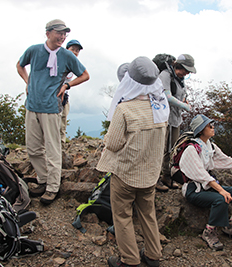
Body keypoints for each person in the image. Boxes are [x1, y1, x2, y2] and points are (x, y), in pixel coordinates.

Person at [96, 56, 169, 267]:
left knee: (122, 216)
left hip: (126, 174)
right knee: (148, 213)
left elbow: (114, 144)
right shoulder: (160, 107)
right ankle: (154, 255)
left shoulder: (125, 109)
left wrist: (107, 140)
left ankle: (130, 260)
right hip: (150, 174)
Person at [16, 19, 89, 205]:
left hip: (51, 108)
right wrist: (28, 82)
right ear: (48, 33)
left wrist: (67, 85)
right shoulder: (33, 50)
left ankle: (53, 187)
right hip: (31, 105)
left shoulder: (67, 55)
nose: (62, 37)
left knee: (53, 149)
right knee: (33, 148)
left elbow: (85, 75)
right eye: (59, 33)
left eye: (65, 34)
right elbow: (19, 65)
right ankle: (43, 179)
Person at [176, 114, 232, 251]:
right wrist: (221, 190)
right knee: (221, 199)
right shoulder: (191, 150)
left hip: (209, 186)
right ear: (200, 130)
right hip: (194, 189)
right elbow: (202, 175)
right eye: (209, 126)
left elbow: (225, 160)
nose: (213, 127)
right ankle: (209, 232)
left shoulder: (210, 146)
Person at [156, 54, 196, 192]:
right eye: (186, 70)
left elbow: (180, 96)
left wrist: (184, 103)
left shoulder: (180, 79)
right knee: (159, 148)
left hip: (175, 118)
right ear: (179, 66)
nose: (187, 73)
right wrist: (184, 106)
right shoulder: (166, 75)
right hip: (162, 117)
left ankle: (166, 176)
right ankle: (155, 179)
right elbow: (167, 96)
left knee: (171, 149)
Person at [60, 39, 84, 145]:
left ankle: (61, 144)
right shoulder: (59, 61)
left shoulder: (74, 65)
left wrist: (66, 86)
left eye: (77, 51)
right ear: (66, 49)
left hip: (64, 96)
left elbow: (84, 76)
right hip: (54, 96)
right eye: (72, 49)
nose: (75, 52)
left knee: (63, 120)